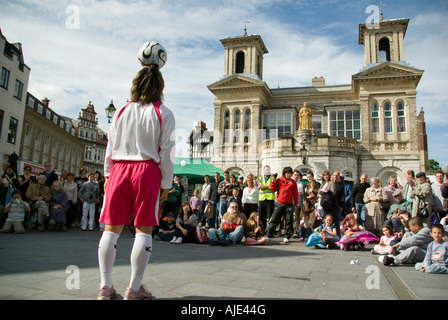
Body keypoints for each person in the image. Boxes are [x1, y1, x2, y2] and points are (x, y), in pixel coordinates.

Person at [97, 62, 175, 300]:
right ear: (160, 86)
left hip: (119, 168)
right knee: (144, 229)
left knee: (111, 228)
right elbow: (167, 152)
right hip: (146, 170)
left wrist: (108, 175)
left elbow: (110, 146)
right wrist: (166, 183)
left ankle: (105, 285)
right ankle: (135, 287)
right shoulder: (164, 113)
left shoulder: (121, 111)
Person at [266, 166, 298, 243]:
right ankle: (269, 235)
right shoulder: (279, 180)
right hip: (279, 203)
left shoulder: (293, 182)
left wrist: (295, 204)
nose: (289, 175)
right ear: (284, 173)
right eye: (288, 173)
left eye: (290, 173)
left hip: (289, 204)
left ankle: (287, 236)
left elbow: (295, 194)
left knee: (288, 220)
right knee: (274, 219)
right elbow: (273, 189)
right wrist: (273, 181)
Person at [258, 165, 276, 233]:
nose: (267, 171)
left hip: (270, 199)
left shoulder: (273, 178)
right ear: (263, 171)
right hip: (262, 199)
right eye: (265, 170)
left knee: (270, 216)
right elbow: (260, 186)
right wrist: (268, 186)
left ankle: (270, 231)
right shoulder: (261, 178)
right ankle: (263, 230)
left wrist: (264, 186)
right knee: (262, 216)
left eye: (268, 170)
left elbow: (273, 187)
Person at [292, 170, 304, 237]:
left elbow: (301, 193)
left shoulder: (300, 183)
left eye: (297, 175)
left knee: (296, 217)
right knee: (290, 217)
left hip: (297, 202)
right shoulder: (290, 182)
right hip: (290, 201)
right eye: (295, 175)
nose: (296, 176)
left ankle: (296, 231)